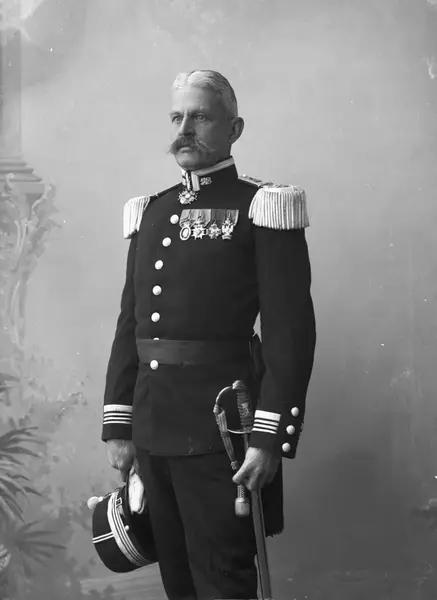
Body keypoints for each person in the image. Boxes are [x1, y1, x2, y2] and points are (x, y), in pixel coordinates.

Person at [101, 69, 316, 600]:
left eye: (200, 116)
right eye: (177, 117)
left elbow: (290, 334)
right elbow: (130, 325)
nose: (185, 129)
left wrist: (268, 438)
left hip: (222, 434)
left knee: (222, 581)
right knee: (177, 583)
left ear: (234, 129)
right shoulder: (152, 212)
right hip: (153, 431)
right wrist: (119, 424)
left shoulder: (261, 207)